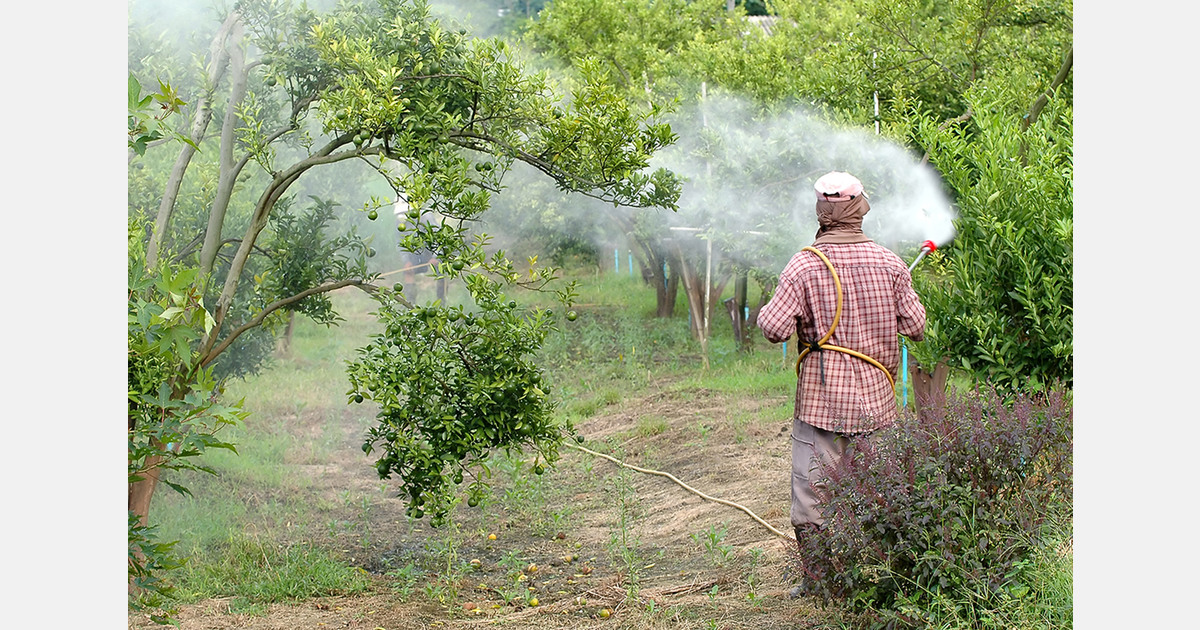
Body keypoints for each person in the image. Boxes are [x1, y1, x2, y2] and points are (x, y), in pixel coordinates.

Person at [757, 171, 926, 548]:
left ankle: (820, 581)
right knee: (885, 493)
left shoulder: (803, 265)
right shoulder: (891, 264)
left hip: (822, 405)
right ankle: (883, 574)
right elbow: (916, 327)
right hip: (877, 407)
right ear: (860, 210)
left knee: (812, 499)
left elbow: (773, 329)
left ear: (821, 212)